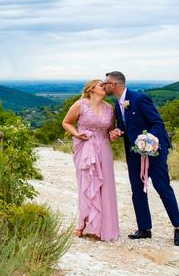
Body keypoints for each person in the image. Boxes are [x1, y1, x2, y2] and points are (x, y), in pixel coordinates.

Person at [104, 71, 179, 247]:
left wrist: (147, 141)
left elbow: (158, 123)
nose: (104, 86)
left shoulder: (139, 98)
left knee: (163, 188)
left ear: (115, 84)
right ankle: (144, 228)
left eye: (106, 83)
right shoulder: (118, 104)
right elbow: (127, 126)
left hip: (154, 152)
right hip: (133, 155)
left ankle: (178, 228)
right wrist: (119, 131)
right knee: (137, 191)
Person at [62, 79, 119, 241]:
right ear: (92, 89)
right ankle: (83, 224)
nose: (105, 87)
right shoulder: (80, 104)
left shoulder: (110, 108)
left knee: (104, 185)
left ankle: (102, 226)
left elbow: (109, 130)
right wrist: (76, 134)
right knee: (86, 183)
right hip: (86, 147)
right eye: (101, 85)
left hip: (104, 147)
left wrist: (113, 134)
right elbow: (66, 122)